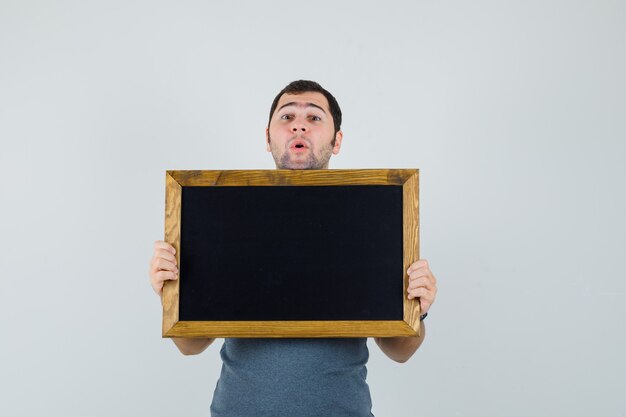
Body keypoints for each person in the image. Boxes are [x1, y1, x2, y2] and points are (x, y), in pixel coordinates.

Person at [149, 80, 438, 417]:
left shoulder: (371, 221)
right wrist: (170, 293)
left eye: (314, 118)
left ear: (337, 140)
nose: (299, 124)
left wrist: (419, 306)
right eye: (286, 116)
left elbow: (400, 350)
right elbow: (191, 345)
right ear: (268, 138)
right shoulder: (229, 219)